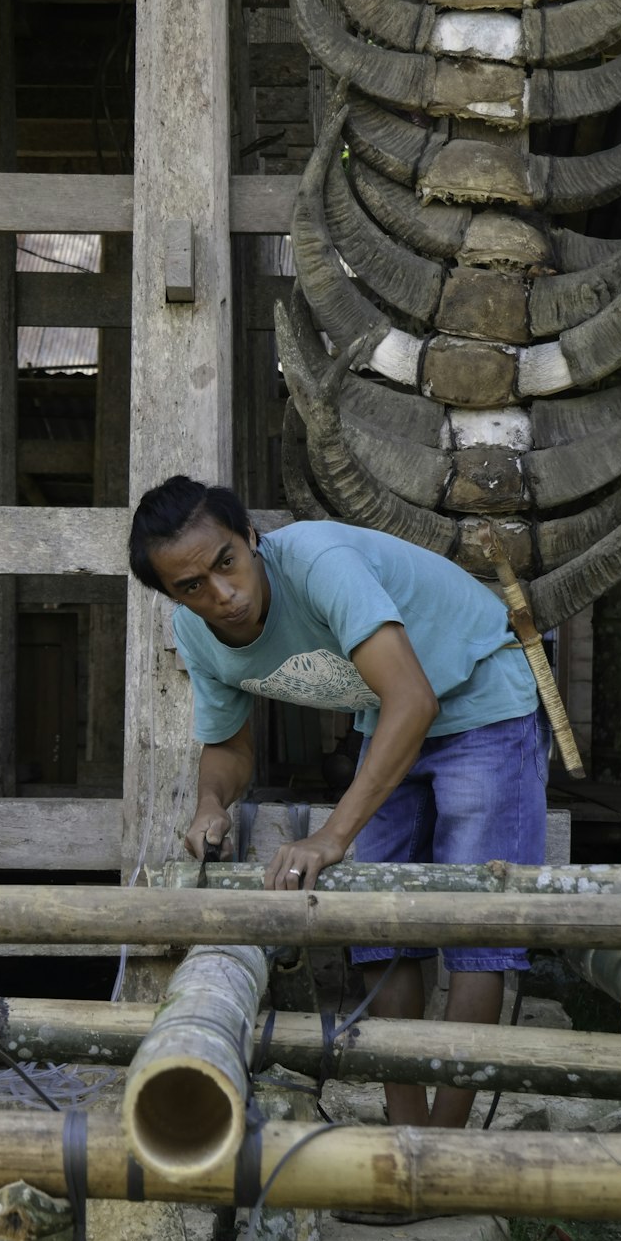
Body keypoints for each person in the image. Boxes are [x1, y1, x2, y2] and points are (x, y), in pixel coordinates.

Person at [128, 474, 548, 1131]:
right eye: (192, 587)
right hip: (386, 718)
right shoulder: (200, 635)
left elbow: (414, 698)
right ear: (171, 597)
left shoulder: (320, 562)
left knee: (478, 922)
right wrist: (211, 804)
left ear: (251, 539)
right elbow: (228, 747)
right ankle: (405, 1134)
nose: (223, 593)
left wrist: (331, 835)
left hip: (481, 699)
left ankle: (442, 1150)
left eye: (226, 563)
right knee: (378, 929)